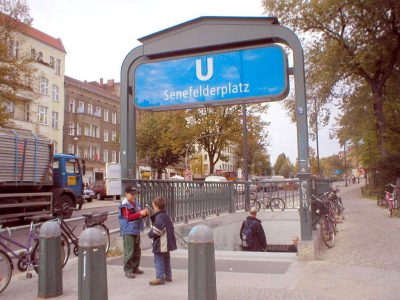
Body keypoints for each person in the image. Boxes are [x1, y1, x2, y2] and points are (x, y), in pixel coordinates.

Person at [118, 186, 148, 278]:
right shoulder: (124, 205)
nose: (134, 196)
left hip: (136, 229)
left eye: (135, 194)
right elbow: (128, 217)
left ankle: (135, 267)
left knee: (137, 250)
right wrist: (140, 213)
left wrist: (144, 214)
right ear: (126, 194)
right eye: (132, 194)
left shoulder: (135, 203)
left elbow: (137, 215)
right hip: (128, 230)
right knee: (129, 251)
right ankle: (128, 270)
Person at [148, 196, 177, 286]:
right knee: (166, 259)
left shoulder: (159, 217)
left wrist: (150, 234)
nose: (153, 208)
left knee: (158, 260)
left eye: (153, 206)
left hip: (161, 243)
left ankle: (159, 278)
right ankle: (168, 276)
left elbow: (157, 230)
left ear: (156, 206)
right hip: (167, 243)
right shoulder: (166, 215)